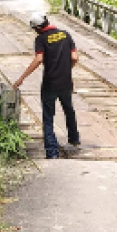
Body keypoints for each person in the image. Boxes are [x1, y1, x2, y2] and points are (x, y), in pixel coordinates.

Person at [11, 12, 80, 159]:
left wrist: (22, 78)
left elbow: (39, 59)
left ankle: (52, 151)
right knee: (69, 110)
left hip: (50, 83)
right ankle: (74, 140)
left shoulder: (41, 39)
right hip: (66, 81)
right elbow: (74, 57)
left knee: (48, 117)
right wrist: (66, 69)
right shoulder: (65, 34)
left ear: (37, 28)